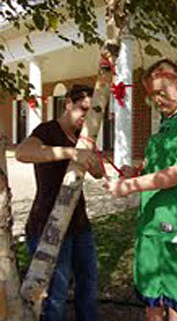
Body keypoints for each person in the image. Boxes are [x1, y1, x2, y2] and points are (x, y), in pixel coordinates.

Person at [106, 59, 177, 321]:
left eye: (160, 92)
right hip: (149, 226)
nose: (156, 100)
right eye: (152, 95)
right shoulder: (163, 130)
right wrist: (133, 172)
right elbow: (154, 170)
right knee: (151, 295)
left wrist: (127, 187)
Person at [16, 84, 104, 321]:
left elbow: (98, 173)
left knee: (88, 283)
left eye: (92, 112)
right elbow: (22, 153)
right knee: (56, 294)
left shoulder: (83, 135)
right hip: (49, 226)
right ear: (67, 104)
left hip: (80, 224)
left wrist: (95, 164)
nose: (86, 117)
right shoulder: (47, 130)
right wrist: (69, 152)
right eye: (82, 109)